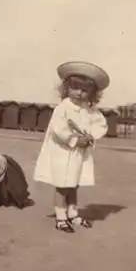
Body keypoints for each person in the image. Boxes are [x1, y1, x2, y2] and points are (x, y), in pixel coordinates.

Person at [33, 61, 109, 233]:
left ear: (92, 94)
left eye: (85, 90)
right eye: (75, 88)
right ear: (67, 88)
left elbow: (100, 124)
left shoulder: (89, 109)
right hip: (63, 151)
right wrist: (74, 140)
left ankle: (73, 213)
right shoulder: (63, 108)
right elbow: (57, 129)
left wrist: (91, 136)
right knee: (62, 184)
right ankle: (61, 216)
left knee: (74, 183)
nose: (79, 93)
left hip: (78, 153)